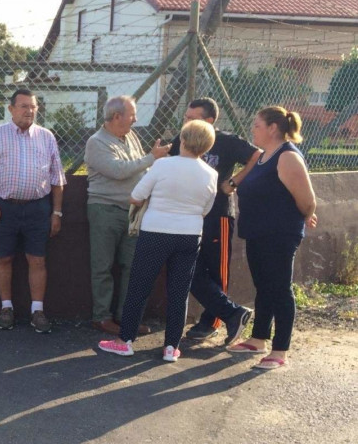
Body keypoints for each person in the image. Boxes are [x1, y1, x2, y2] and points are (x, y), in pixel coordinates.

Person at [98, 120, 217, 362]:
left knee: (139, 286)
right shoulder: (211, 174)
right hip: (190, 235)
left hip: (155, 232)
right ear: (207, 146)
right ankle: (172, 347)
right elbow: (206, 209)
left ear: (182, 140)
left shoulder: (162, 166)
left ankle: (125, 340)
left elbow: (136, 197)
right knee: (179, 291)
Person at [0, 88, 66, 333]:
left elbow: (57, 179)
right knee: (4, 258)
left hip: (38, 208)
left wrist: (56, 213)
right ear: (11, 109)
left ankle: (37, 311)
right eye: (23, 106)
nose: (29, 111)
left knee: (38, 259)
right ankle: (6, 308)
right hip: (4, 208)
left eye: (33, 107)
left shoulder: (46, 137)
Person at [228, 106, 318, 370]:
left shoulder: (287, 157)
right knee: (264, 286)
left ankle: (280, 350)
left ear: (273, 128)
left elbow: (307, 200)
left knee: (279, 288)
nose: (252, 129)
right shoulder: (265, 156)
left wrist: (305, 215)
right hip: (257, 232)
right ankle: (258, 339)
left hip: (279, 234)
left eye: (256, 125)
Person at [170, 98, 259, 344]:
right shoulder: (182, 138)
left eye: (192, 118)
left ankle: (213, 321)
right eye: (185, 117)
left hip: (218, 212)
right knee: (186, 267)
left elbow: (257, 156)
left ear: (209, 121)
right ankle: (232, 313)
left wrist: (233, 182)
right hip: (188, 213)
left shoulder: (227, 141)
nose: (186, 122)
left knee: (216, 268)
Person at [85, 96, 170, 335]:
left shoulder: (130, 136)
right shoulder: (97, 142)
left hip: (132, 210)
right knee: (102, 266)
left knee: (131, 266)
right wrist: (152, 158)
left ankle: (126, 317)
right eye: (132, 114)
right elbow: (118, 171)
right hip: (105, 210)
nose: (135, 119)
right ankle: (101, 317)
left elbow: (140, 167)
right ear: (116, 117)